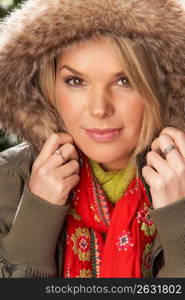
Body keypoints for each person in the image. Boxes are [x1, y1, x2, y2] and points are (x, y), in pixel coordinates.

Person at [0, 0, 185, 278]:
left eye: (125, 81)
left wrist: (179, 221)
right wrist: (36, 219)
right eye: (76, 81)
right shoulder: (8, 178)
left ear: (163, 88)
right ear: (48, 86)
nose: (99, 109)